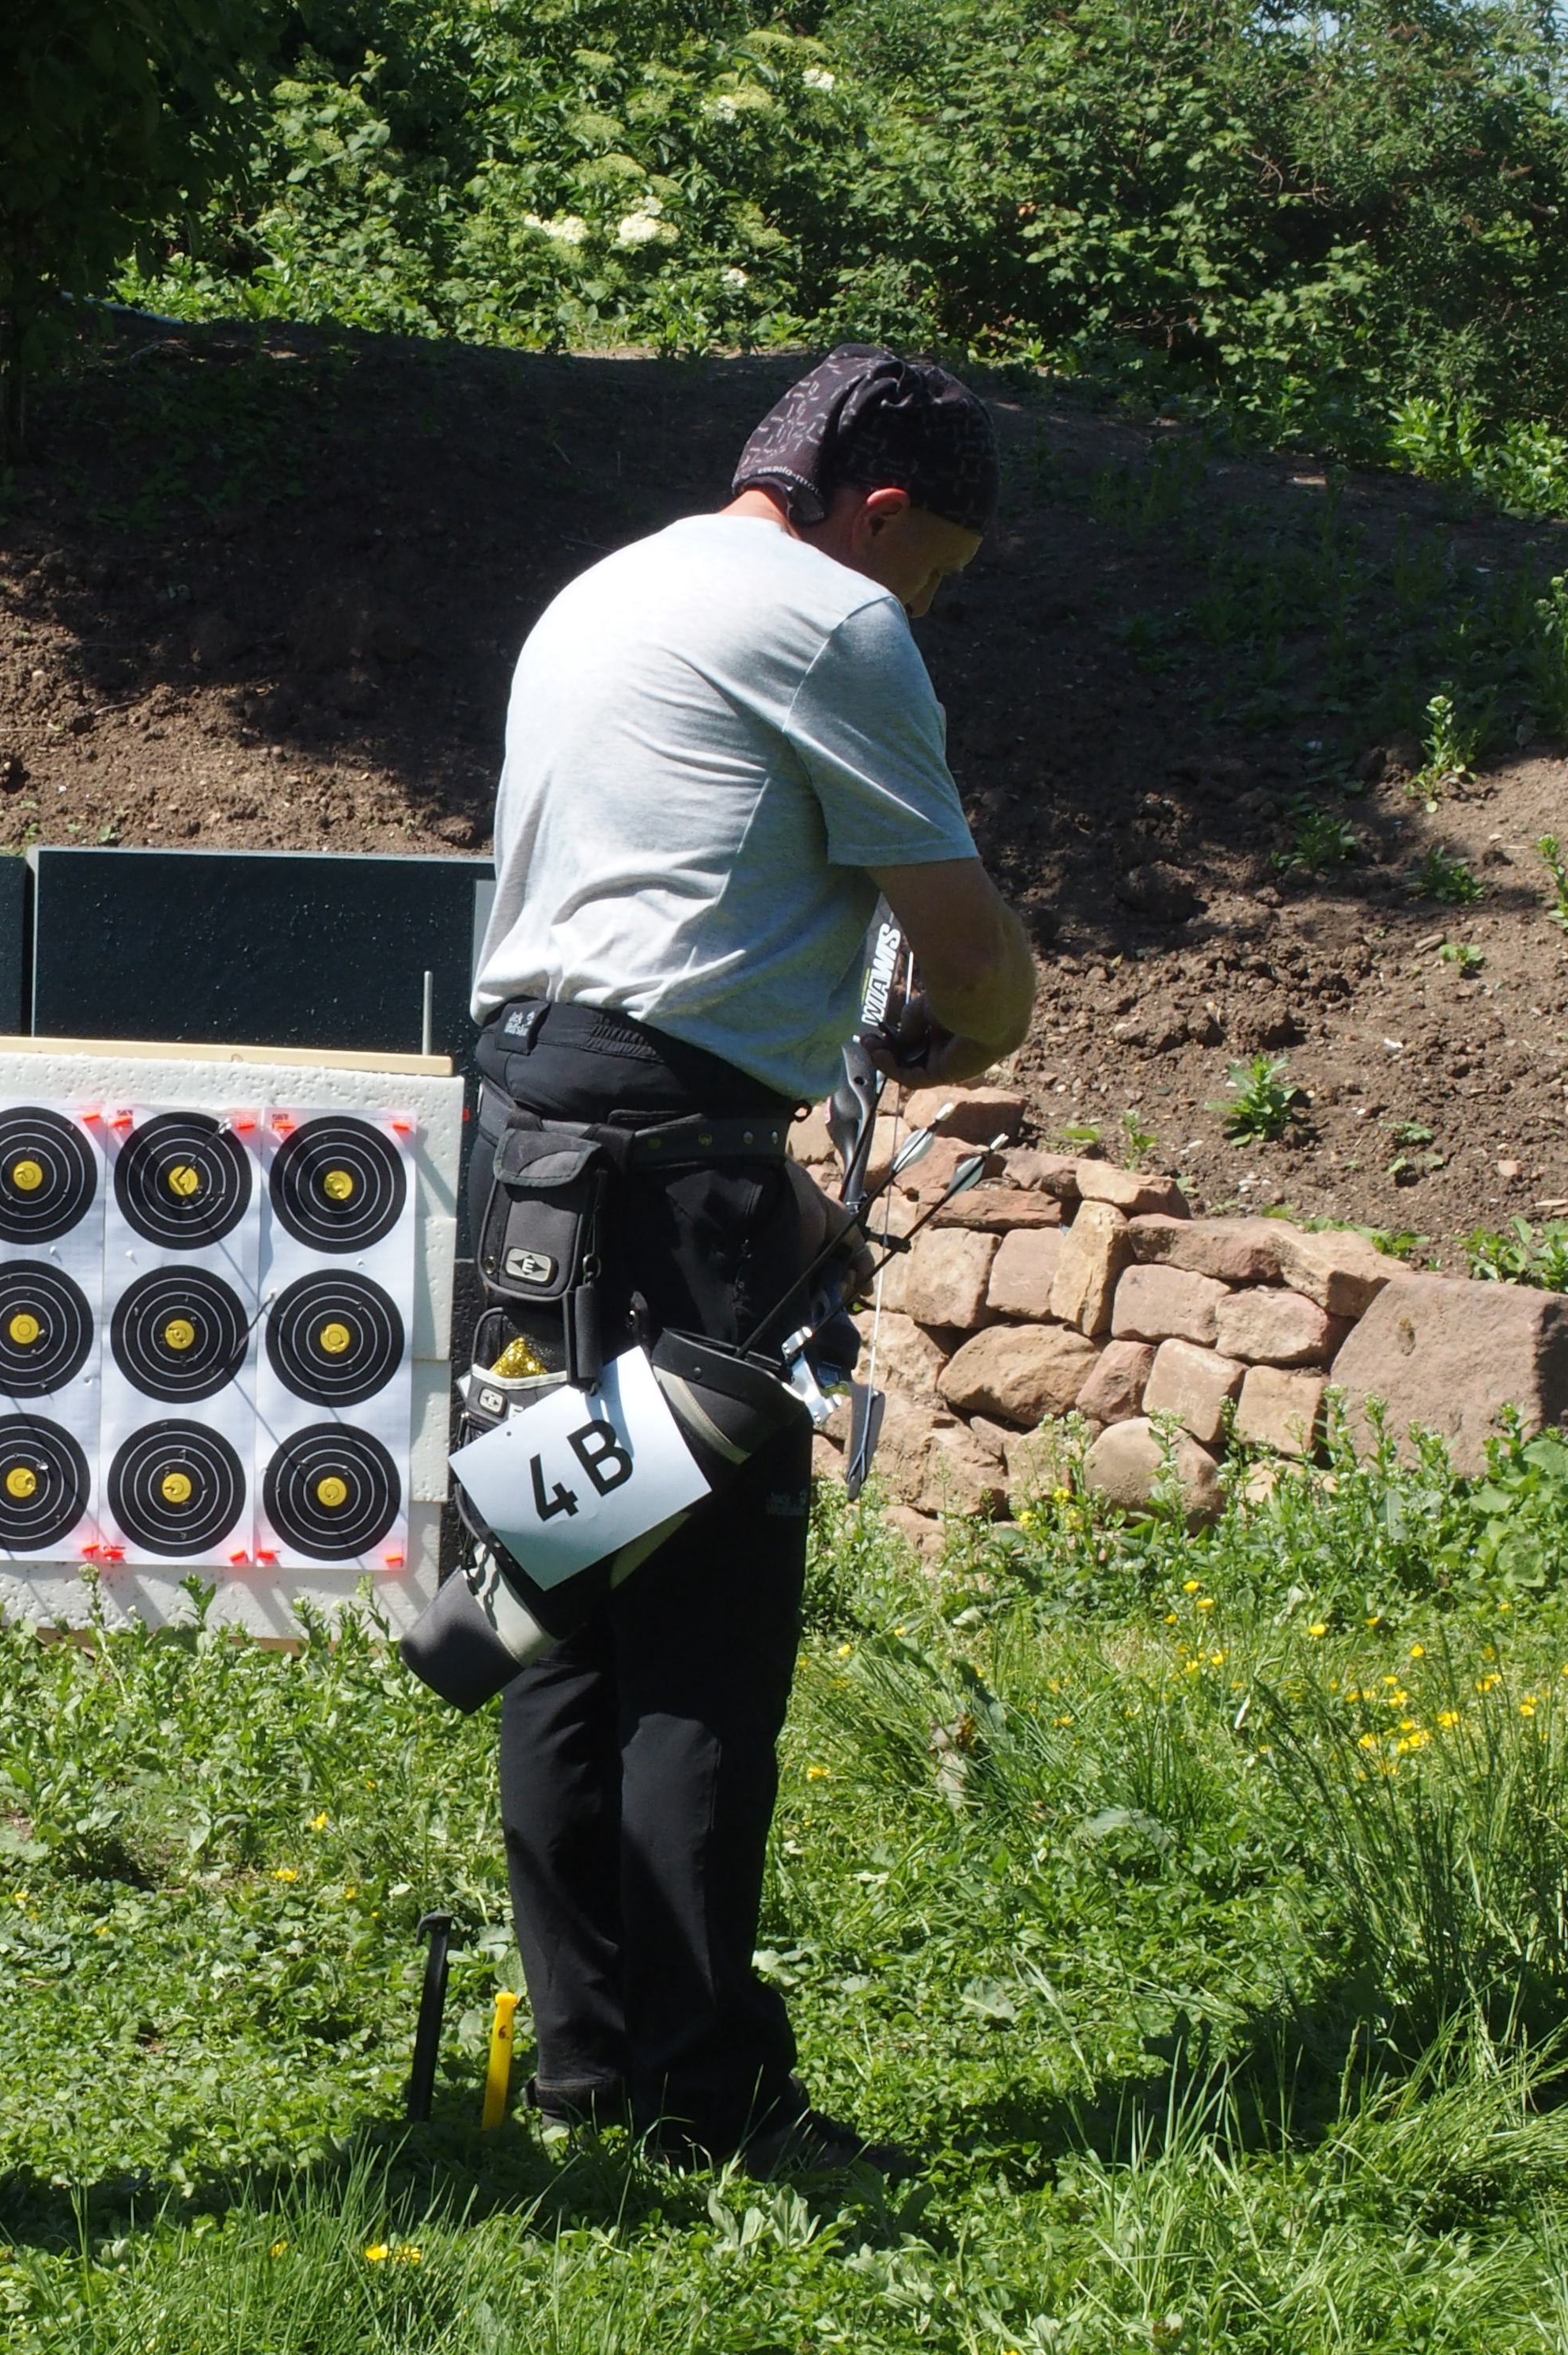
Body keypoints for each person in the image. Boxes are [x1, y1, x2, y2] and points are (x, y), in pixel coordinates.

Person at [465, 344, 1037, 2171]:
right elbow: (969, 959)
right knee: (702, 1651)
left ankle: (587, 2071)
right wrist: (986, 1016)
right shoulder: (832, 621)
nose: (926, 606)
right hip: (673, 1178)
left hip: (528, 1155)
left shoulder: (604, 589)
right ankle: (711, 2107)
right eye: (936, 571)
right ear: (878, 513)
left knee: (562, 1606)